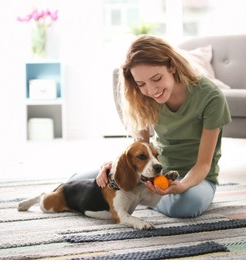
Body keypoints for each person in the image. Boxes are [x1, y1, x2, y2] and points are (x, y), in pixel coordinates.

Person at [72, 35, 231, 218]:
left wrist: (182, 186)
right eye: (141, 84)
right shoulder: (144, 96)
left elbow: (204, 165)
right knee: (76, 182)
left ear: (171, 66)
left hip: (196, 179)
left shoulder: (211, 97)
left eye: (156, 78)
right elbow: (140, 146)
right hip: (152, 172)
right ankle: (144, 196)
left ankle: (139, 198)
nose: (151, 90)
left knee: (187, 206)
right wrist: (115, 165)